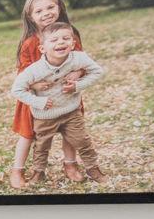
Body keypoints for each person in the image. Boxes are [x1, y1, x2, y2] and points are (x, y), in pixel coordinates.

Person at [7, 0, 83, 190]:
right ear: (30, 17)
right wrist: (33, 84)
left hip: (66, 94)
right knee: (28, 134)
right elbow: (22, 74)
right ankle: (18, 170)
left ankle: (70, 165)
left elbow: (80, 60)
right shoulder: (30, 43)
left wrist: (78, 74)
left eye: (50, 7)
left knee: (71, 131)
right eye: (39, 11)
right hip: (35, 98)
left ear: (59, 7)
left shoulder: (70, 33)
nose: (46, 13)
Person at [12, 21, 106, 184]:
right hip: (44, 116)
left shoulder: (78, 58)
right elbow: (16, 90)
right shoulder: (35, 69)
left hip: (71, 112)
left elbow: (97, 71)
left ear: (73, 43)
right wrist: (38, 101)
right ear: (42, 48)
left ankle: (92, 168)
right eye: (54, 40)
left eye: (65, 38)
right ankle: (38, 172)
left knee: (82, 141)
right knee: (42, 146)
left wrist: (78, 85)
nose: (61, 42)